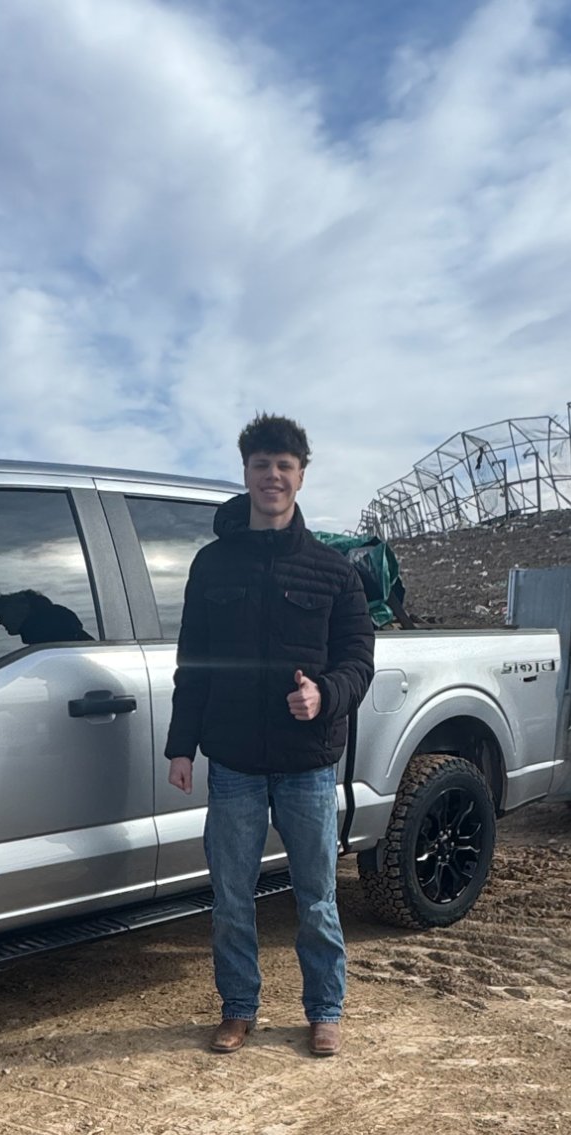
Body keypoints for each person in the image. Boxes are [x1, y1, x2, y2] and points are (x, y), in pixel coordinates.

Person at [165, 413, 375, 1057]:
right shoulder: (212, 566)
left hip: (308, 763)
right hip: (233, 763)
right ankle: (238, 1008)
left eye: (285, 466)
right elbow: (193, 662)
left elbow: (358, 660)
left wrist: (325, 694)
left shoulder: (333, 571)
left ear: (301, 476)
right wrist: (181, 745)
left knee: (317, 897)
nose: (273, 476)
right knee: (232, 897)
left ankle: (325, 1010)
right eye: (262, 465)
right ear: (247, 473)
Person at [0, 589, 91, 645]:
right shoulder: (64, 633)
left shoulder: (46, 643)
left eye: (2, 616)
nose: (0, 622)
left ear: (17, 611)